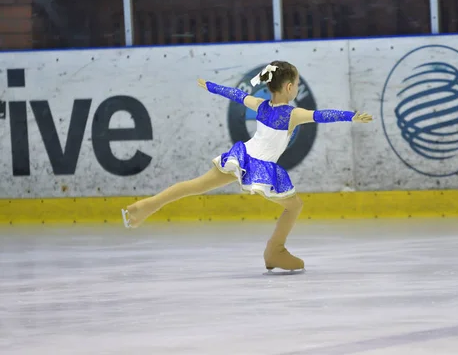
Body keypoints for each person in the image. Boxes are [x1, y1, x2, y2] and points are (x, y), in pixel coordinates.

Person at [121, 61, 373, 271]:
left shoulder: (260, 105)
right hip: (259, 166)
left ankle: (144, 207)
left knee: (195, 185)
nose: (296, 87)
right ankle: (275, 250)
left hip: (241, 157)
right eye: (296, 84)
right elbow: (322, 115)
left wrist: (211, 86)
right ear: (288, 87)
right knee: (294, 205)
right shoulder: (292, 114)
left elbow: (235, 94)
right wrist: (351, 116)